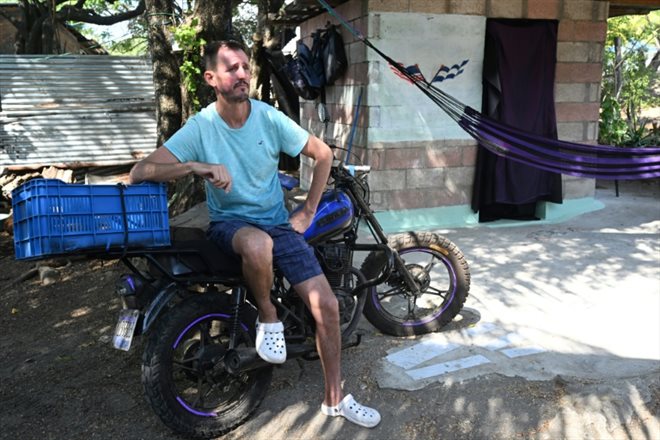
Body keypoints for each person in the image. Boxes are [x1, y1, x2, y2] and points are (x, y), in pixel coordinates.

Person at [129, 40, 380, 428]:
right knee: (257, 243)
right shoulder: (201, 127)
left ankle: (334, 399)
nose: (243, 74)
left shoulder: (267, 117)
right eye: (232, 68)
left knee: (327, 307)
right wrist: (195, 166)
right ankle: (269, 318)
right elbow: (141, 172)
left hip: (278, 225)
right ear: (212, 78)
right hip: (229, 226)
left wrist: (308, 210)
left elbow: (323, 154)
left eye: (245, 66)